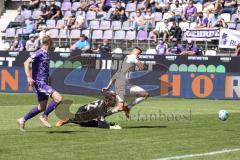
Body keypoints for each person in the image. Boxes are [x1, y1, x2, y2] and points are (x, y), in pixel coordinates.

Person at [17, 36, 63, 131]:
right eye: (52, 43)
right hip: (40, 83)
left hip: (44, 82)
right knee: (58, 98)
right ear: (49, 43)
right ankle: (44, 116)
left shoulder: (46, 54)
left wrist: (48, 80)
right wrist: (29, 77)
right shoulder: (39, 52)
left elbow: (44, 69)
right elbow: (26, 62)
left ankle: (23, 119)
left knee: (42, 107)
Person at [102, 47, 149, 118]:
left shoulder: (126, 60)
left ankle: (128, 107)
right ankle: (103, 116)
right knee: (120, 107)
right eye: (138, 53)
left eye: (140, 54)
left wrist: (107, 87)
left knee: (145, 94)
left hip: (126, 84)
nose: (139, 55)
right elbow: (142, 67)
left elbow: (115, 75)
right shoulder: (132, 57)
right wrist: (139, 60)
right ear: (134, 51)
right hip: (121, 85)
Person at [55, 91, 121, 129]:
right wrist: (113, 127)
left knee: (97, 121)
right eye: (112, 101)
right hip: (83, 113)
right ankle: (67, 119)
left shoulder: (104, 103)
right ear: (106, 101)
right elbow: (101, 125)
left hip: (84, 109)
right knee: (87, 123)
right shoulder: (101, 108)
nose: (114, 103)